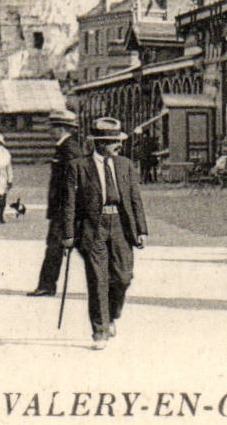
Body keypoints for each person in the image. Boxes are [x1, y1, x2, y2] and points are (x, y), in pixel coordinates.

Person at [60, 117, 148, 350]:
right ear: (99, 144)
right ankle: (100, 330)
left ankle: (111, 314)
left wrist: (141, 229)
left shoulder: (125, 165)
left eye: (118, 141)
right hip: (92, 228)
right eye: (112, 142)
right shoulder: (78, 167)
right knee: (98, 279)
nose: (118, 145)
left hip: (120, 224)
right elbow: (68, 203)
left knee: (123, 277)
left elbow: (135, 198)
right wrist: (68, 234)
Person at [30, 108, 88, 297]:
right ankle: (47, 284)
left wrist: (68, 209)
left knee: (57, 245)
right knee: (79, 247)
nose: (49, 130)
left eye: (52, 126)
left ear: (62, 128)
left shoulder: (69, 149)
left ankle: (47, 285)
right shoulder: (64, 147)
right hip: (63, 208)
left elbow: (74, 182)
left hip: (66, 209)